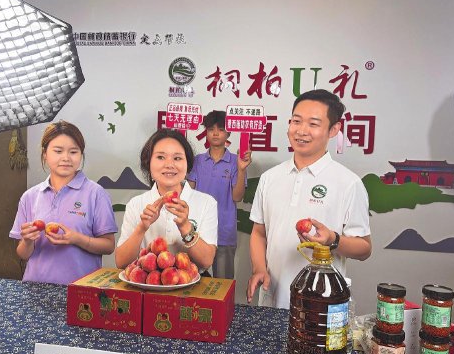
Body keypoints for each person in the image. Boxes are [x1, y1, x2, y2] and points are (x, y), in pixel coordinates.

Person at [247, 89, 372, 308]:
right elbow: (259, 232)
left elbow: (364, 248)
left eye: (313, 124)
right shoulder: (270, 178)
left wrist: (333, 240)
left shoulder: (348, 183)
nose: (301, 131)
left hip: (320, 304)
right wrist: (259, 269)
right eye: (296, 121)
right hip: (272, 298)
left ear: (334, 129)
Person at [10, 121, 117, 285]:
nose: (66, 158)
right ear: (45, 154)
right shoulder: (30, 196)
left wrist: (77, 239)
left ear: (81, 154)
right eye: (58, 151)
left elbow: (109, 246)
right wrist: (27, 241)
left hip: (81, 290)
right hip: (35, 288)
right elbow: (23, 254)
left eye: (73, 152)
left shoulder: (96, 193)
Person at [115, 128, 217, 271]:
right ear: (148, 164)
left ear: (187, 165)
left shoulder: (207, 203)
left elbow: (206, 262)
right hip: (146, 282)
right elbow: (121, 263)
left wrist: (186, 228)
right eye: (161, 157)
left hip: (193, 282)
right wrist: (142, 228)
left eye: (177, 158)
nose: (169, 164)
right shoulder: (135, 204)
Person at [187, 110, 251, 279]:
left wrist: (242, 170)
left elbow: (237, 197)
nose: (215, 133)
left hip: (224, 231)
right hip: (197, 232)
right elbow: (188, 194)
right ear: (206, 132)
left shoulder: (236, 161)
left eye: (221, 129)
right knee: (193, 281)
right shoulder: (197, 161)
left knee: (223, 284)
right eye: (211, 129)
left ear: (228, 133)